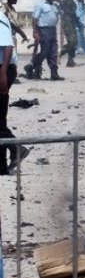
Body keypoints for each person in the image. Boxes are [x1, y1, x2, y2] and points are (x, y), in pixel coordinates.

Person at [0, 10, 29, 175]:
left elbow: (8, 45)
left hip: (2, 70)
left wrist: (3, 73)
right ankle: (2, 166)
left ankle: (16, 147)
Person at [25, 0, 64, 81]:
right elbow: (34, 19)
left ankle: (54, 73)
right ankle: (31, 65)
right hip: (43, 30)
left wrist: (60, 2)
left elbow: (63, 13)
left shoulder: (56, 5)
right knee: (45, 51)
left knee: (54, 52)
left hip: (53, 30)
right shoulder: (41, 5)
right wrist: (35, 32)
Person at [58, 0, 79, 68]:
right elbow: (71, 13)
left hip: (66, 23)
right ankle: (62, 51)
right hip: (69, 23)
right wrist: (75, 17)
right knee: (74, 41)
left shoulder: (64, 1)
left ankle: (70, 61)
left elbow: (62, 9)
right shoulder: (72, 3)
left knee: (71, 42)